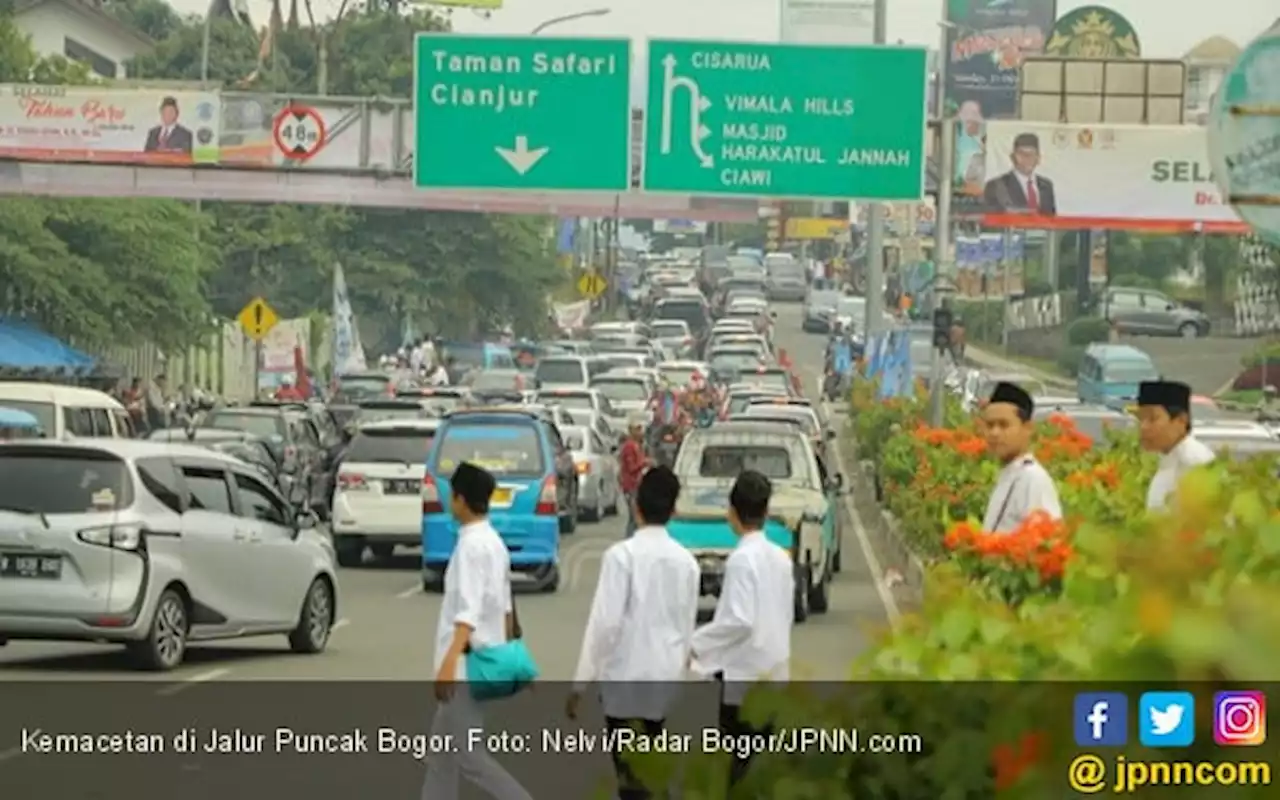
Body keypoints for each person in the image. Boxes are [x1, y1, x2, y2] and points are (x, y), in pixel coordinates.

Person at [567, 466, 700, 800]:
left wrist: (580, 683)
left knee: (629, 776)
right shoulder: (687, 564)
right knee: (651, 766)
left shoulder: (620, 557)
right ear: (673, 510)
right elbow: (686, 628)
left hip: (624, 682)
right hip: (663, 680)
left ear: (636, 506)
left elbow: (605, 624)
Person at [422, 462, 532, 800]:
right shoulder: (493, 541)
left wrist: (448, 665)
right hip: (485, 656)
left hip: (467, 664)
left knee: (469, 755)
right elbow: (506, 606)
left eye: (451, 495)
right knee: (441, 751)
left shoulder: (471, 547)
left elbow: (467, 612)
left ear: (461, 499)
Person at [689, 470, 794, 789]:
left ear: (732, 512)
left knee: (740, 766)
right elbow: (783, 615)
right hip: (775, 672)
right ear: (765, 511)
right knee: (761, 764)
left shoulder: (741, 560)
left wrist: (695, 644)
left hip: (745, 679)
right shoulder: (781, 558)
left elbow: (739, 620)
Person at [980, 382, 1063, 533]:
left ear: (1027, 428)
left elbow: (1047, 542)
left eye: (1004, 425)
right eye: (990, 425)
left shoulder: (1033, 479)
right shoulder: (1009, 474)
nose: (994, 433)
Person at [1136, 380, 1215, 511]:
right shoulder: (1166, 459)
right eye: (1141, 418)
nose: (1143, 427)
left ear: (1181, 420)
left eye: (1152, 418)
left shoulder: (1195, 462)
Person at [982, 132, 1057, 216]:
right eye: (1021, 153)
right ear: (1012, 157)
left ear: (1038, 158)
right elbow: (992, 222)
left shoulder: (1046, 186)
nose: (1027, 157)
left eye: (1031, 153)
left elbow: (1051, 220)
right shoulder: (996, 186)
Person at [617, 416, 648, 538]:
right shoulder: (630, 447)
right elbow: (631, 468)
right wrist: (644, 462)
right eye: (638, 429)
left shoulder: (636, 445)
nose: (641, 432)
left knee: (635, 518)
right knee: (634, 518)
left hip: (634, 485)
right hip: (631, 486)